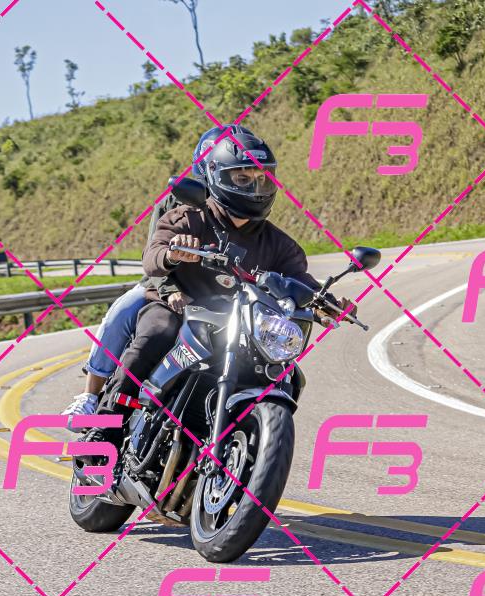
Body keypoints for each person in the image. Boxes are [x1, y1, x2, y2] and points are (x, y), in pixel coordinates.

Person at [91, 129, 356, 441]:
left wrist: (326, 304)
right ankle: (104, 426)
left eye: (262, 178)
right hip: (178, 307)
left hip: (237, 318)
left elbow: (299, 280)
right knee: (155, 334)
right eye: (242, 178)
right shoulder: (188, 217)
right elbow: (153, 257)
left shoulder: (279, 243)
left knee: (284, 370)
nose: (255, 187)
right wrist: (172, 254)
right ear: (217, 177)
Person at [60, 124, 255, 431]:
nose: (241, 180)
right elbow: (155, 253)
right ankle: (90, 395)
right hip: (165, 285)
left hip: (217, 294)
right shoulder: (173, 203)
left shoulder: (243, 206)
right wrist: (169, 290)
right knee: (121, 313)